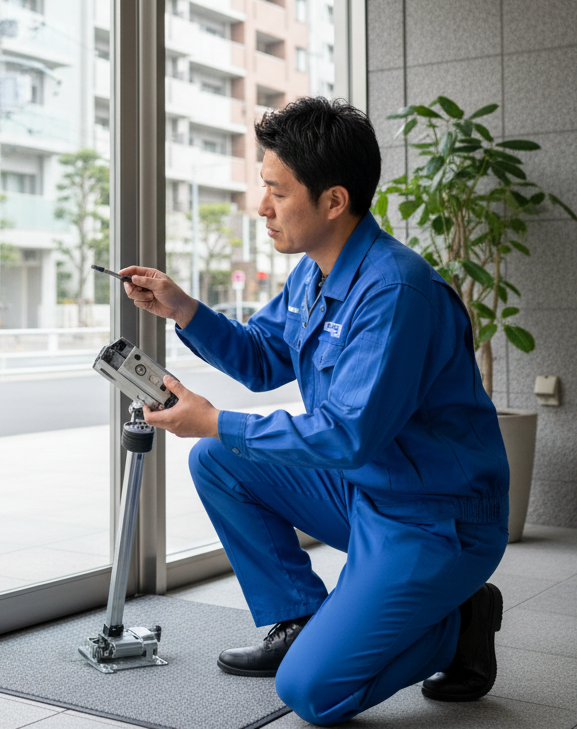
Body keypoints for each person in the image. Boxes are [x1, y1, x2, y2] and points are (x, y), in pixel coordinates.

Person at [121, 97, 509, 727]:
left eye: (276, 191)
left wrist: (217, 417)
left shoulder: (397, 293)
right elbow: (261, 358)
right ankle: (299, 618)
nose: (261, 207)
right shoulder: (316, 273)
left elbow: (348, 435)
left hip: (436, 516)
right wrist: (182, 308)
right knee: (220, 460)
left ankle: (461, 623)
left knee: (313, 694)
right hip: (368, 491)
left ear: (333, 201)